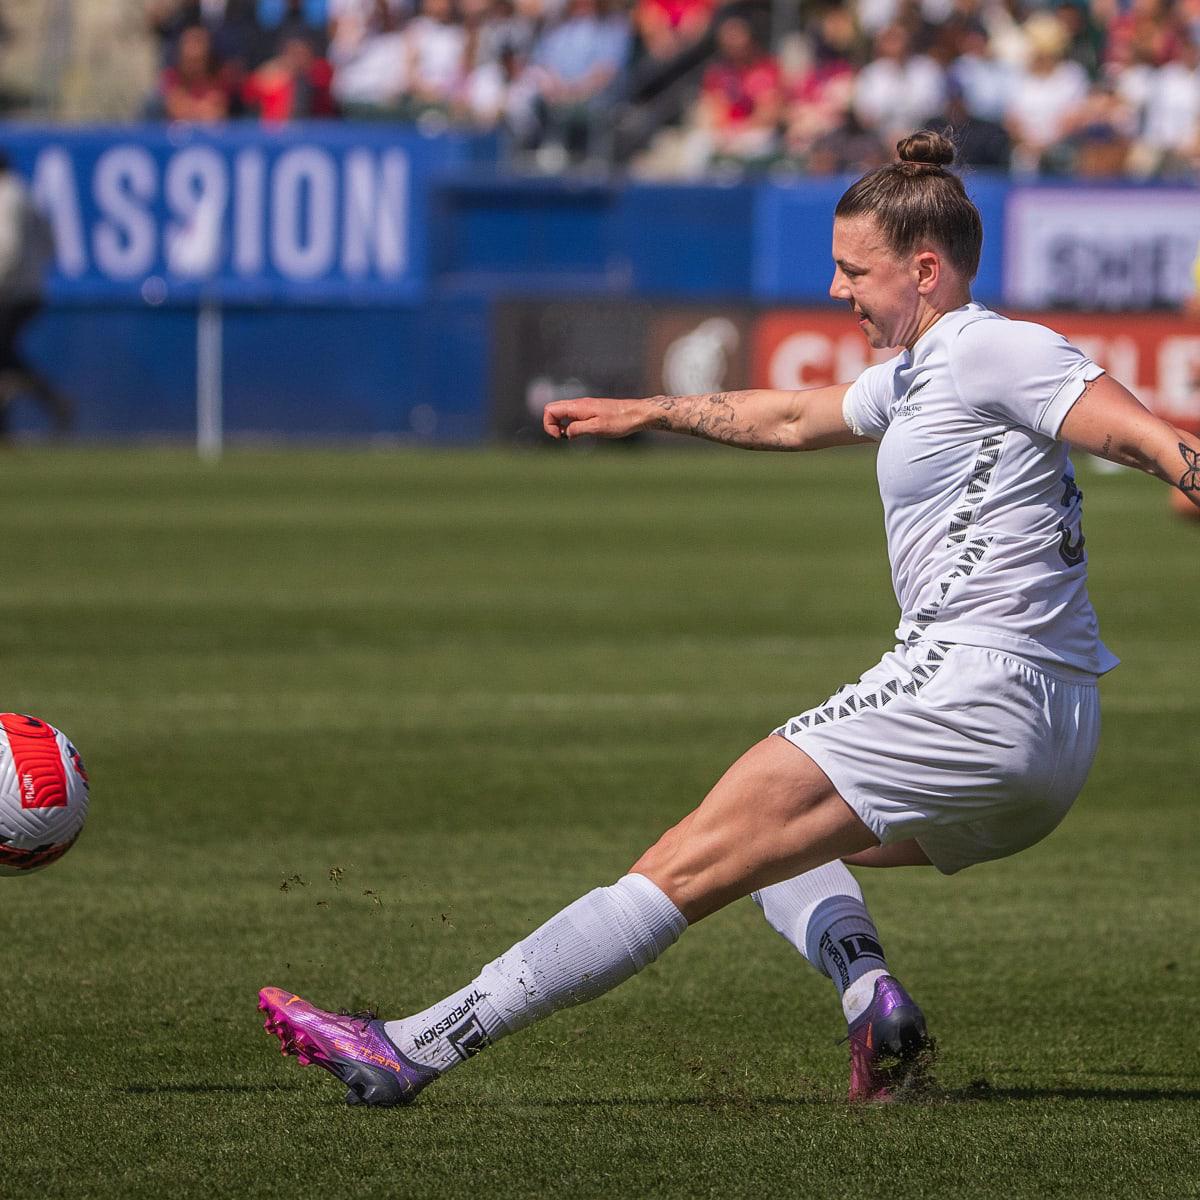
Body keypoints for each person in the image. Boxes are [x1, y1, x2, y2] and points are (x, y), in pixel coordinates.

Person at [258, 130, 1200, 1107]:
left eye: (853, 270)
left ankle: (411, 1047)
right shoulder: (925, 371)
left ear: (925, 270)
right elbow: (792, 418)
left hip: (971, 684)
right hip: (1051, 741)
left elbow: (1145, 438)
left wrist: (1182, 466)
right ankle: (871, 999)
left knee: (685, 861)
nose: (838, 290)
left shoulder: (993, 345)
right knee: (779, 854)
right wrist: (651, 410)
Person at [0, 153, 73, 439]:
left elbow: (8, 248)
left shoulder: (7, 197)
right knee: (5, 357)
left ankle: (53, 401)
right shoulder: (23, 193)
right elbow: (49, 243)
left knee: (5, 356)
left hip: (11, 292)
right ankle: (51, 402)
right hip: (29, 289)